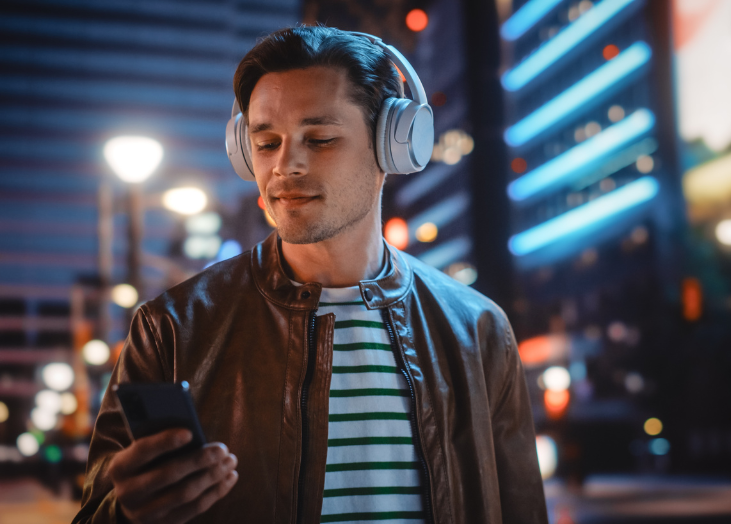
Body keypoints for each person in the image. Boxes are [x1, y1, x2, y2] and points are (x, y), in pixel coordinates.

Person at [74, 26, 545, 524]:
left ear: (393, 144)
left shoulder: (478, 329)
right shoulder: (173, 328)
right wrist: (126, 516)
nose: (285, 165)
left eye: (319, 139)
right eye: (266, 142)